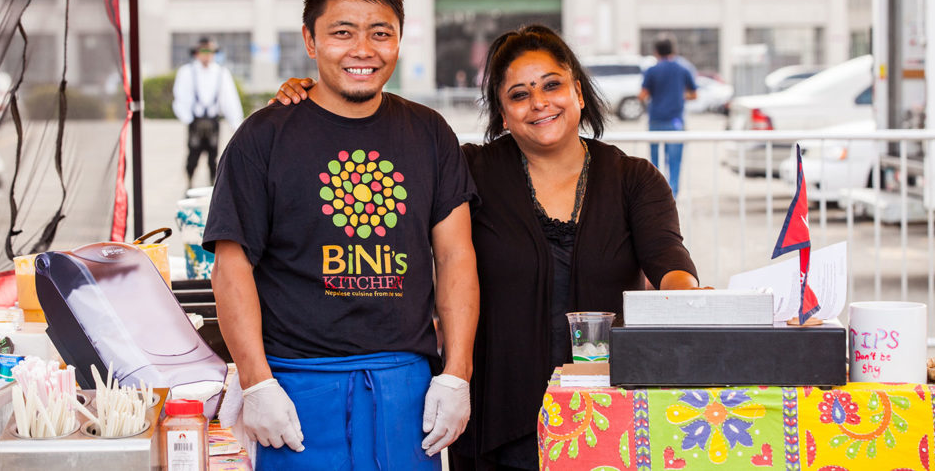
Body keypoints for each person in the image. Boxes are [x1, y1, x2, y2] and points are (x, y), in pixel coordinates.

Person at [274, 24, 701, 471]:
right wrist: (317, 102)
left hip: (605, 415)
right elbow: (378, 158)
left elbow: (668, 260)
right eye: (519, 95)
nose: (539, 103)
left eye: (552, 85)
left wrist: (688, 299)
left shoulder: (634, 179)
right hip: (494, 421)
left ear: (577, 89)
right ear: (502, 111)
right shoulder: (469, 170)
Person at [205, 0, 479, 470]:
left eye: (381, 32)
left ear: (399, 38)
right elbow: (231, 266)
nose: (363, 49)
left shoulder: (430, 133)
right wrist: (256, 381)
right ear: (311, 40)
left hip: (407, 387)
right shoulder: (262, 138)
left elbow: (457, 257)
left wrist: (455, 374)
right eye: (342, 31)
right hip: (296, 389)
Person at [172, 37, 244, 188]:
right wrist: (187, 117)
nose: (207, 55)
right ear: (197, 53)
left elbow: (230, 99)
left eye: (210, 51)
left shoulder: (221, 73)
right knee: (193, 155)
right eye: (203, 51)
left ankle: (213, 186)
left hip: (213, 121)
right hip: (195, 120)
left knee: (214, 157)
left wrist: (236, 124)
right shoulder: (187, 72)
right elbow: (180, 96)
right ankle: (189, 183)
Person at [638, 35, 697, 198]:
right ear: (674, 50)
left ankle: (657, 194)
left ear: (656, 52)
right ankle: (673, 195)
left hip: (655, 120)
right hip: (676, 121)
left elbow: (642, 95)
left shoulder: (651, 70)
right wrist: (679, 95)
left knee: (655, 160)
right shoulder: (684, 68)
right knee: (675, 161)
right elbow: (694, 94)